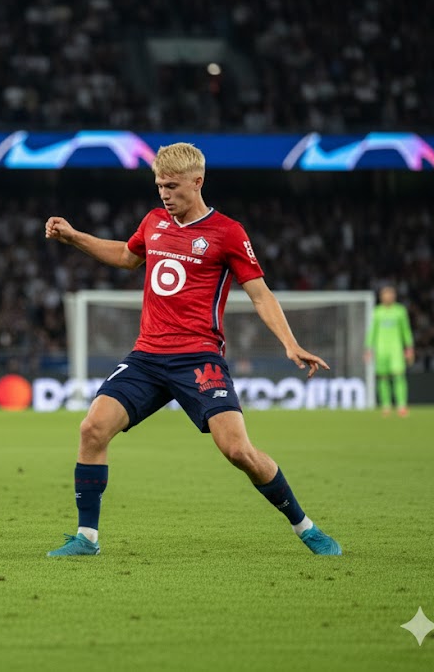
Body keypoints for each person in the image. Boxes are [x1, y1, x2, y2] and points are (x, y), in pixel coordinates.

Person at [44, 142, 342, 557]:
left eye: (172, 186)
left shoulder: (228, 233)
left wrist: (290, 343)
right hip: (147, 357)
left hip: (198, 359)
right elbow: (127, 256)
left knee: (238, 451)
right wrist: (75, 237)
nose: (164, 195)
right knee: (92, 428)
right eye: (159, 186)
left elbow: (260, 294)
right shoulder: (154, 222)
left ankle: (306, 528)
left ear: (197, 182)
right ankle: (86, 538)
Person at [365, 285, 414, 417]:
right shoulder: (377, 312)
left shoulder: (400, 311)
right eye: (385, 294)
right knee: (383, 377)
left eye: (390, 294)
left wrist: (409, 347)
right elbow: (372, 331)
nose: (388, 297)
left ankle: (401, 405)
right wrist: (368, 348)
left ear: (394, 296)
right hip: (381, 350)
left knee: (399, 376)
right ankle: (386, 406)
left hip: (396, 350)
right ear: (381, 297)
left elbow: (406, 330)